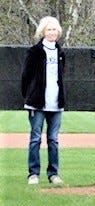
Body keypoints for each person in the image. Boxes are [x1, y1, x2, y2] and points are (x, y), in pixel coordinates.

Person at [20, 16, 66, 186]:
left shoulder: (60, 52)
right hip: (37, 103)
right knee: (35, 138)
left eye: (54, 29)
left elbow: (61, 77)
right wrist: (29, 96)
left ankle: (53, 174)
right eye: (49, 29)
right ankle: (33, 173)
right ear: (43, 32)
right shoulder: (34, 52)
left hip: (56, 104)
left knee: (53, 139)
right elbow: (25, 76)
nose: (52, 32)